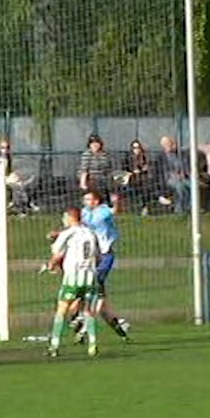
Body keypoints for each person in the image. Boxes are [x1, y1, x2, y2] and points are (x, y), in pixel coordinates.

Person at [72, 192, 130, 342]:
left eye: (89, 199)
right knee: (99, 298)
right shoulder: (85, 212)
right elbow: (76, 225)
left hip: (105, 255)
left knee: (91, 287)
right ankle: (120, 326)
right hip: (93, 256)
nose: (86, 201)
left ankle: (82, 322)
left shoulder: (103, 210)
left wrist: (116, 202)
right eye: (85, 199)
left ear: (96, 201)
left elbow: (115, 211)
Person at [46, 207, 100, 358]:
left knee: (62, 309)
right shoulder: (91, 233)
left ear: (70, 218)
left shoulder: (67, 233)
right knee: (88, 311)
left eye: (65, 217)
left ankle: (54, 346)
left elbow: (57, 253)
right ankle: (92, 344)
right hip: (90, 277)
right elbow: (98, 256)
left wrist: (51, 265)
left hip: (73, 277)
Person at [0, 138, 38, 215]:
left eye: (7, 148)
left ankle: (20, 205)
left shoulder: (12, 157)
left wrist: (16, 174)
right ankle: (23, 205)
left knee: (24, 183)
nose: (5, 150)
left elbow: (15, 169)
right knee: (17, 186)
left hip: (10, 177)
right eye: (2, 148)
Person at [118, 139, 152, 215]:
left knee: (145, 185)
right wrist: (132, 172)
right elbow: (123, 170)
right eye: (134, 148)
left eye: (138, 147)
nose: (136, 149)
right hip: (131, 179)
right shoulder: (127, 158)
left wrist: (143, 169)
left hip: (142, 178)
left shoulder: (144, 157)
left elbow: (148, 168)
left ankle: (145, 207)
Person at [78, 134, 114, 200]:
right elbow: (84, 169)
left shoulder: (105, 154)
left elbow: (109, 167)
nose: (95, 145)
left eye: (97, 143)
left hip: (104, 180)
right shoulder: (87, 154)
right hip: (91, 180)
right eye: (92, 143)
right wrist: (83, 183)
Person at [158, 136, 189, 214]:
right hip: (170, 179)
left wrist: (184, 173)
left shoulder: (179, 154)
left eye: (170, 144)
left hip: (183, 177)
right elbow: (164, 172)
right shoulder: (161, 157)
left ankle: (190, 207)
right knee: (180, 187)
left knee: (193, 185)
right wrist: (175, 176)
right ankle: (179, 209)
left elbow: (185, 166)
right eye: (166, 144)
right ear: (163, 146)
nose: (169, 146)